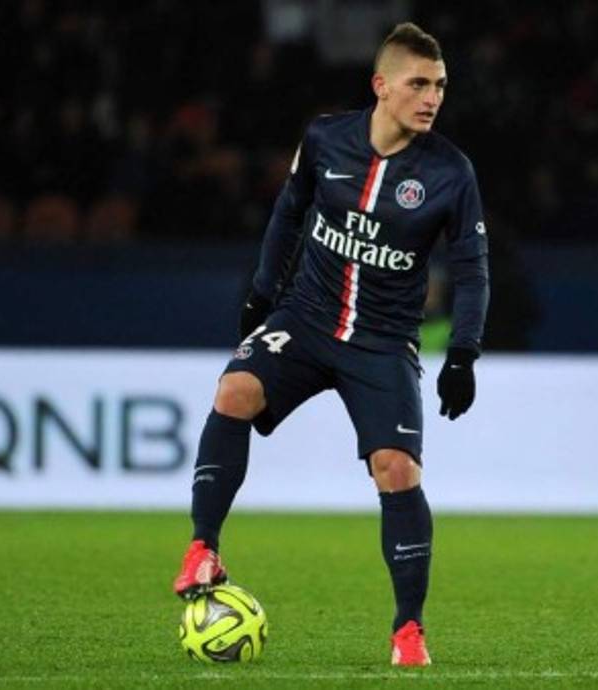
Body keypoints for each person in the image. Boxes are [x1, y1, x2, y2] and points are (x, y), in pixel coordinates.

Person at [172, 22, 489, 667]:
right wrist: (261, 297)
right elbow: (288, 213)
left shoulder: (452, 173)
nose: (432, 97)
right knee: (233, 390)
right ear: (381, 86)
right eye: (418, 83)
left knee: (396, 470)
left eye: (440, 86)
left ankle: (409, 632)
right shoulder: (323, 139)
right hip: (308, 318)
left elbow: (473, 270)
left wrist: (462, 354)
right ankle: (203, 548)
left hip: (382, 341)